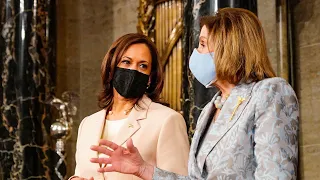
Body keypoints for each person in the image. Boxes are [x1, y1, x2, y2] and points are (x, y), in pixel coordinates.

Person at [90, 8, 299, 179]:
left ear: (228, 48)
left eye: (202, 44)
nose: (195, 54)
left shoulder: (270, 92)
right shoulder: (212, 108)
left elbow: (275, 176)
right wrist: (143, 169)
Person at [69, 33, 190, 180]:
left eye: (142, 65)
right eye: (126, 62)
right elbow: (81, 172)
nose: (133, 70)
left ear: (150, 78)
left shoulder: (168, 120)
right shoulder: (88, 124)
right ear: (111, 68)